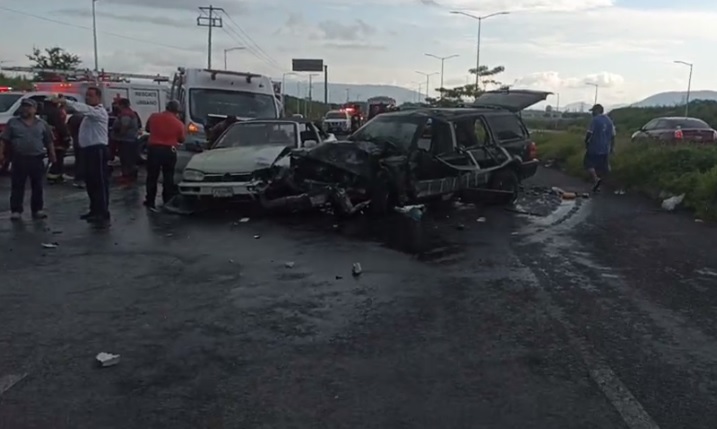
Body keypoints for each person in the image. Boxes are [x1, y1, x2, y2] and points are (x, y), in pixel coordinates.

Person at [0, 99, 56, 220]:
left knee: (38, 186)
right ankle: (16, 211)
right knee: (17, 186)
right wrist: (1, 154)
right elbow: (4, 140)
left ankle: (37, 210)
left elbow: (49, 141)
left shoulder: (42, 124)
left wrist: (52, 154)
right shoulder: (13, 122)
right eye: (23, 107)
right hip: (19, 158)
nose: (25, 109)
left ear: (35, 109)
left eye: (28, 107)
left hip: (37, 158)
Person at [64, 88, 111, 225]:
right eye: (87, 95)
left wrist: (66, 101)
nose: (87, 98)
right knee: (91, 182)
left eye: (90, 96)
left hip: (98, 150)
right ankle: (94, 210)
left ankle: (102, 212)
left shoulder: (99, 112)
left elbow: (84, 109)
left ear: (98, 98)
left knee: (100, 183)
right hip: (88, 151)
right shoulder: (89, 115)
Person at [144, 100, 186, 210]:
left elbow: (147, 129)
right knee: (168, 176)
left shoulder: (154, 117)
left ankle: (150, 201)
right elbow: (181, 139)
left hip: (153, 150)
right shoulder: (178, 123)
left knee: (152, 176)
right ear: (177, 111)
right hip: (169, 151)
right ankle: (167, 200)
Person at [584, 104, 616, 192]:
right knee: (604, 165)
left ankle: (596, 179)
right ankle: (610, 181)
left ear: (597, 110)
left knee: (588, 164)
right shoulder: (609, 121)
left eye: (593, 111)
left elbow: (589, 133)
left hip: (594, 147)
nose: (592, 113)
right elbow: (613, 135)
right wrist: (612, 147)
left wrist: (586, 142)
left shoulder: (595, 120)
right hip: (605, 148)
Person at [111, 98, 140, 185]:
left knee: (126, 159)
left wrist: (118, 135)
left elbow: (124, 126)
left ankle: (128, 177)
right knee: (128, 159)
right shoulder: (129, 113)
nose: (116, 106)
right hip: (129, 140)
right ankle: (128, 176)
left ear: (122, 105)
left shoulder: (126, 114)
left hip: (126, 140)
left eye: (117, 104)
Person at [45, 98, 72, 184]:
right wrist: (66, 135)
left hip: (51, 137)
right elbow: (60, 125)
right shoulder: (57, 112)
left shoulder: (45, 111)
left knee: (54, 156)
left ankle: (55, 175)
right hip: (58, 137)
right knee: (59, 157)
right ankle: (55, 175)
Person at [67, 111, 86, 188]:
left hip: (76, 139)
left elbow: (68, 128)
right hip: (83, 141)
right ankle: (80, 179)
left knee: (78, 160)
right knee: (83, 161)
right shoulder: (83, 118)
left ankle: (78, 178)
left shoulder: (72, 118)